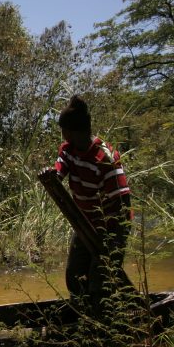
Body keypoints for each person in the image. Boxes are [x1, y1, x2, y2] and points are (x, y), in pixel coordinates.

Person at [52, 95, 133, 308]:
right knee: (75, 275)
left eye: (63, 130)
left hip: (113, 227)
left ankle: (104, 318)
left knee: (100, 281)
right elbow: (60, 167)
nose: (63, 135)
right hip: (86, 223)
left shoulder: (105, 159)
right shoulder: (68, 150)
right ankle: (81, 315)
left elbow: (122, 202)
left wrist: (110, 240)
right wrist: (54, 175)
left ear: (71, 131)